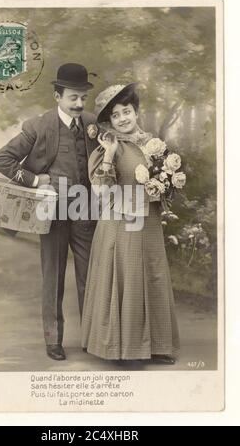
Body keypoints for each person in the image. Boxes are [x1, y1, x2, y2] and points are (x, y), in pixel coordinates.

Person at [0, 63, 98, 361]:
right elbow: (2, 159)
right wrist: (36, 180)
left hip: (85, 211)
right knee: (53, 276)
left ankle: (94, 338)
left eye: (82, 98)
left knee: (91, 276)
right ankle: (53, 340)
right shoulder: (38, 126)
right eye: (73, 97)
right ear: (57, 96)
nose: (78, 104)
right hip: (50, 213)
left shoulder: (92, 124)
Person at [81, 83, 180, 364]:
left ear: (136, 112)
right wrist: (110, 154)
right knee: (127, 278)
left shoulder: (152, 143)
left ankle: (157, 345)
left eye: (127, 111)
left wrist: (164, 185)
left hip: (148, 219)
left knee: (153, 275)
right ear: (108, 121)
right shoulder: (108, 145)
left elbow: (164, 180)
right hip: (120, 222)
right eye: (116, 115)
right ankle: (122, 349)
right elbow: (100, 191)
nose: (123, 118)